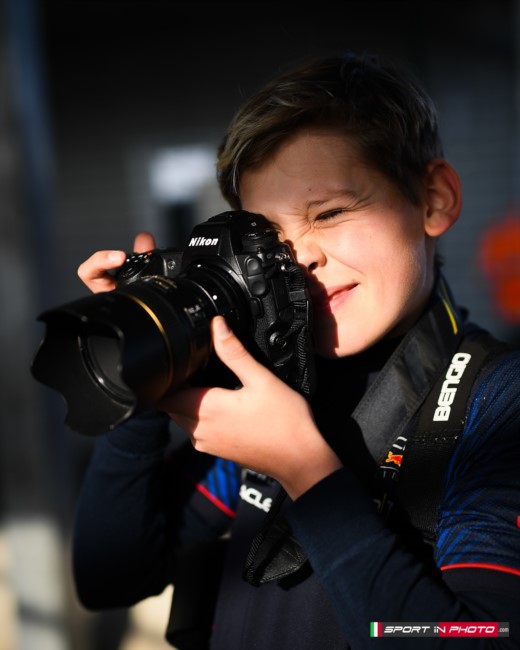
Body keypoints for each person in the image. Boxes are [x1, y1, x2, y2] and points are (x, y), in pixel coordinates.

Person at [72, 52, 520, 649]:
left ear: (434, 199)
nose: (301, 257)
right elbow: (110, 578)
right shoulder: (276, 389)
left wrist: (305, 470)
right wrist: (145, 365)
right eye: (271, 241)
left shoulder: (495, 403)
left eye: (329, 213)